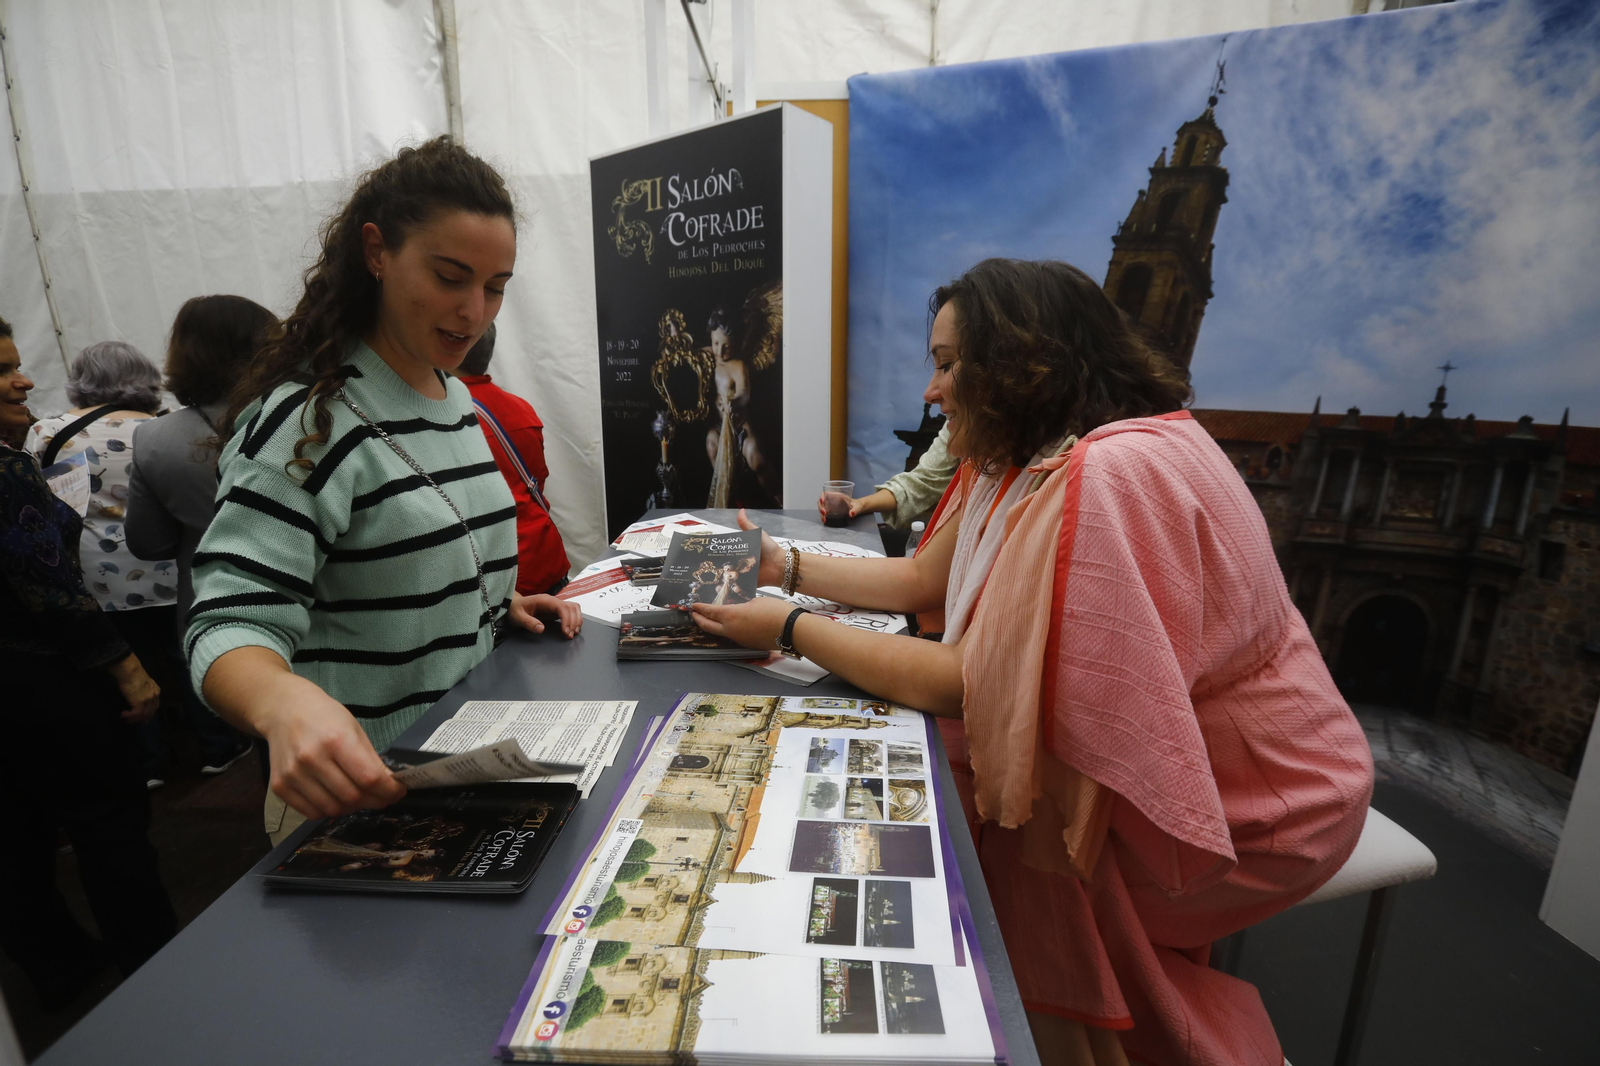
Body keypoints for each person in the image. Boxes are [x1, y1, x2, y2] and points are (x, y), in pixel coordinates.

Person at [691, 259, 1374, 1066]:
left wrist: (791, 625)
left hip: (1258, 805)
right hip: (1229, 762)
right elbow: (918, 578)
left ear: (1020, 365)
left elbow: (967, 682)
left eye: (948, 365)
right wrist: (781, 567)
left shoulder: (1107, 474)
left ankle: (1064, 1033)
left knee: (1026, 843)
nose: (931, 392)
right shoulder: (1020, 456)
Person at [184, 137, 582, 846]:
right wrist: (281, 704)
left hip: (456, 772)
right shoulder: (305, 421)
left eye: (495, 287)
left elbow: (411, 548)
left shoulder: (453, 397)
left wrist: (492, 598)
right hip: (357, 800)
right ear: (376, 252)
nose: (475, 311)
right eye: (450, 276)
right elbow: (228, 622)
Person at [0, 315, 177, 1008]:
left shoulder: (36, 440)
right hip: (41, 678)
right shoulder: (8, 467)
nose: (26, 379)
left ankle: (59, 968)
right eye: (4, 369)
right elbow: (48, 585)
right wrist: (123, 666)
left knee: (15, 840)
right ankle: (156, 969)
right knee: (109, 823)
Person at [125, 294, 278, 776]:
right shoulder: (301, 417)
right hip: (320, 600)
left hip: (218, 609)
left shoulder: (154, 440)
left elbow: (146, 544)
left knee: (273, 741)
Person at [26, 341, 183, 787]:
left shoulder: (49, 432)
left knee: (128, 666)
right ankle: (219, 747)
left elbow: (38, 503)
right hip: (169, 567)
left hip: (98, 579)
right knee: (187, 658)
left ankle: (148, 764)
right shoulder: (164, 428)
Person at [451, 321, 571, 595]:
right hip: (546, 560)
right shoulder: (522, 409)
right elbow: (538, 480)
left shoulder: (445, 419)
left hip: (501, 579)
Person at [816, 422, 958, 529]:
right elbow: (920, 482)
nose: (929, 394)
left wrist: (794, 559)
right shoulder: (955, 425)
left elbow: (918, 569)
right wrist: (858, 504)